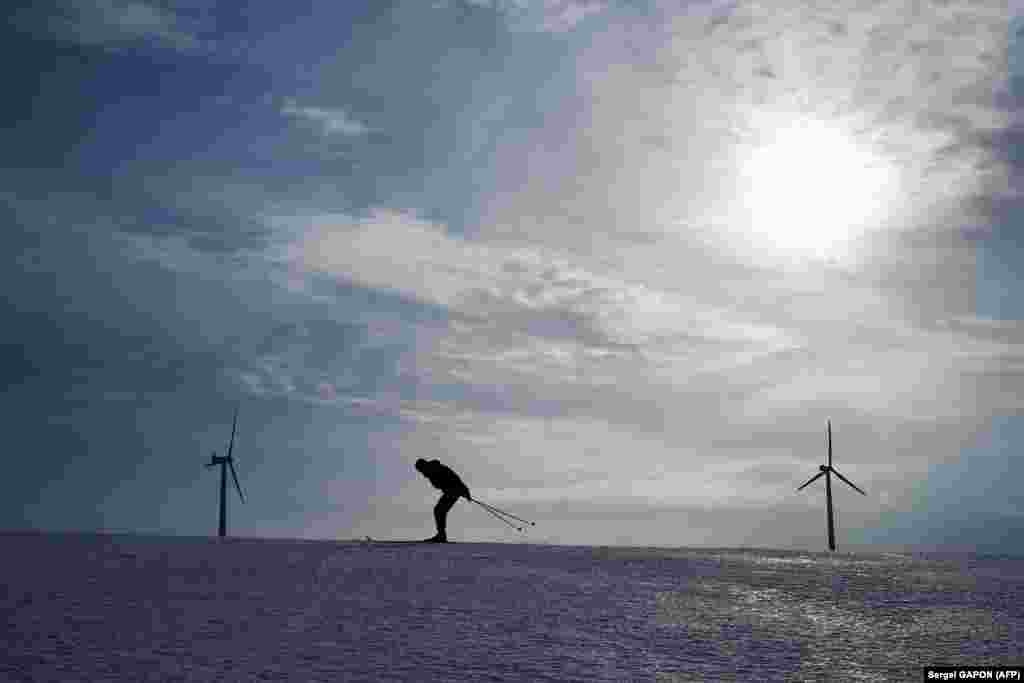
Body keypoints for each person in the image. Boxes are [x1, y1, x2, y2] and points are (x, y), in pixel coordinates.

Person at [415, 458, 471, 543]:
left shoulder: (435, 470)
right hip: (453, 491)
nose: (421, 473)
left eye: (420, 470)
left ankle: (441, 535)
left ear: (424, 466)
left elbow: (453, 478)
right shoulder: (432, 470)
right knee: (439, 510)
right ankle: (441, 535)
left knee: (439, 510)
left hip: (453, 491)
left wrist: (465, 491)